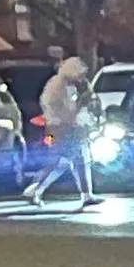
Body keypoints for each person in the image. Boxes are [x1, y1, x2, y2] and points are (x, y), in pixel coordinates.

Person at [32, 53, 92, 201]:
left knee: (72, 160)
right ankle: (34, 189)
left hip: (63, 127)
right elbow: (67, 113)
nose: (81, 79)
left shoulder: (64, 86)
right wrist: (81, 103)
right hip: (62, 128)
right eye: (80, 75)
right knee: (64, 161)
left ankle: (86, 194)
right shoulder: (59, 88)